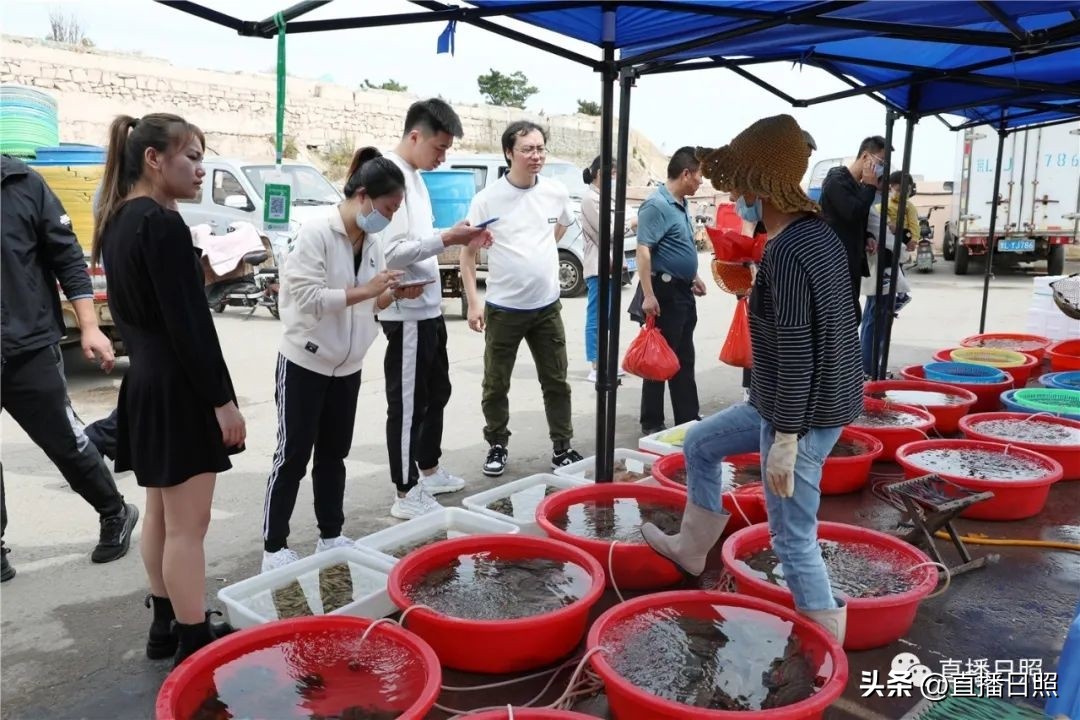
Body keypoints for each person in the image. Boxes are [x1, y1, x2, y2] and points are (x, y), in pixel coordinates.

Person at [643, 115, 863, 644]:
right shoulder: (816, 236)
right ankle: (693, 548)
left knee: (792, 539)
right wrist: (755, 290)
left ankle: (823, 647)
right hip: (800, 401)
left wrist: (786, 439)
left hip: (798, 416)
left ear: (761, 184)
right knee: (699, 442)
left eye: (742, 183)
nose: (737, 194)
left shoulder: (787, 251)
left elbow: (794, 352)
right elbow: (830, 323)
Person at [93, 113, 246, 664]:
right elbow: (189, 325)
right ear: (155, 159)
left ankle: (165, 627)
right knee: (189, 527)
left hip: (147, 382)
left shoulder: (120, 219)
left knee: (161, 513)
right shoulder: (160, 223)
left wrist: (204, 273)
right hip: (178, 387)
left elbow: (163, 298)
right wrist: (223, 401)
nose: (202, 169)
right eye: (193, 158)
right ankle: (192, 638)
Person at [262, 148, 417, 571]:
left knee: (334, 454)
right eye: (387, 207)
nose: (388, 216)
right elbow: (309, 298)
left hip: (347, 367)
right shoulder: (316, 233)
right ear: (364, 196)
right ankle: (274, 546)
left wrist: (393, 293)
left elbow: (370, 302)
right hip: (305, 362)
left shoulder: (372, 240)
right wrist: (370, 291)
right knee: (293, 455)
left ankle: (330, 536)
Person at [1, 154, 139, 583]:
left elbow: (67, 258)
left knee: (65, 441)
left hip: (27, 347)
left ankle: (114, 511)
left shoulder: (22, 183)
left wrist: (90, 327)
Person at [379, 99, 491, 520]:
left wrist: (460, 236)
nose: (443, 158)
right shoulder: (391, 176)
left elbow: (420, 237)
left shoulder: (417, 177)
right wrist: (448, 238)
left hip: (427, 307)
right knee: (407, 403)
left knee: (435, 392)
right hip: (404, 311)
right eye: (439, 148)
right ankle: (405, 490)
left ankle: (427, 469)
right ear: (415, 136)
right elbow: (392, 251)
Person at [461, 121, 582, 477]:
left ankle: (563, 447)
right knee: (496, 383)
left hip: (546, 307)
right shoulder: (487, 200)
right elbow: (468, 256)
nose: (536, 155)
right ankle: (497, 444)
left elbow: (559, 227)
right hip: (504, 309)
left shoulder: (555, 192)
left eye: (540, 148)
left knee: (556, 380)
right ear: (509, 153)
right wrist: (472, 302)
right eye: (528, 149)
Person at [633, 146, 708, 435]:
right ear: (686, 173)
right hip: (663, 292)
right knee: (659, 359)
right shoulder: (657, 205)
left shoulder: (681, 203)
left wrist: (694, 276)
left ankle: (687, 418)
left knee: (683, 357)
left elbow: (682, 245)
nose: (702, 181)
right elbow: (643, 250)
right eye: (699, 174)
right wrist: (649, 295)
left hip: (682, 291)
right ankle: (651, 423)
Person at [820, 135, 890, 319]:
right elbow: (852, 212)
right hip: (835, 263)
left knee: (851, 315)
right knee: (845, 317)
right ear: (865, 157)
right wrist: (870, 186)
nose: (882, 168)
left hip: (851, 262)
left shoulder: (857, 187)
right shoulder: (836, 180)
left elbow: (856, 221)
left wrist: (867, 236)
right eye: (881, 161)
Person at [580, 154, 634, 383]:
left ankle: (608, 360)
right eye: (612, 174)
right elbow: (609, 232)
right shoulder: (591, 199)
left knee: (610, 317)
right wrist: (631, 223)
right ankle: (596, 363)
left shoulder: (607, 198)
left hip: (612, 266)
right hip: (599, 267)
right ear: (600, 174)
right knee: (597, 317)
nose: (615, 179)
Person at [860, 182, 912, 375]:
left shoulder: (870, 208)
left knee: (872, 320)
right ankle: (869, 369)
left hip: (879, 271)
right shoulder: (870, 211)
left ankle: (868, 368)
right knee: (877, 323)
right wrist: (905, 251)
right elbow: (889, 241)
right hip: (883, 271)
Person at [886, 171, 918, 314]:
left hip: (903, 235)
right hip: (890, 236)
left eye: (906, 191)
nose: (902, 193)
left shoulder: (908, 206)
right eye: (898, 190)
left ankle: (902, 294)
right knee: (894, 266)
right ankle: (899, 294)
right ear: (890, 188)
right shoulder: (885, 203)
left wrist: (914, 240)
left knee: (896, 266)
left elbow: (914, 224)